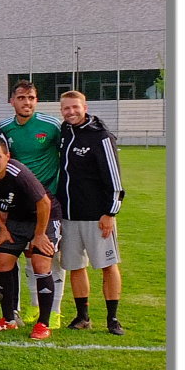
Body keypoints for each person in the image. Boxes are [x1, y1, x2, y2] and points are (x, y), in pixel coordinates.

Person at [0, 139, 61, 340]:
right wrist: (2, 228)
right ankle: (8, 320)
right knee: (2, 262)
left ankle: (43, 323)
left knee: (40, 263)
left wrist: (39, 236)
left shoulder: (19, 173)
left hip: (45, 218)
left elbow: (44, 202)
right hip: (17, 220)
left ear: (7, 157)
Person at [56, 91, 126, 335]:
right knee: (75, 267)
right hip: (69, 216)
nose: (71, 112)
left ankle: (113, 318)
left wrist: (110, 213)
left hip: (98, 217)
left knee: (108, 265)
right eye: (66, 108)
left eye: (75, 107)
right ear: (61, 110)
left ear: (85, 106)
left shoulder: (101, 137)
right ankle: (82, 316)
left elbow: (115, 182)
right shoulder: (65, 132)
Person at [0, 80, 68, 328]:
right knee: (29, 255)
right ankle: (33, 306)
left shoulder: (51, 126)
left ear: (36, 101)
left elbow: (67, 153)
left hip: (50, 202)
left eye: (30, 98)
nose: (26, 102)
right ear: (12, 101)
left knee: (49, 254)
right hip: (21, 204)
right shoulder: (5, 128)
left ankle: (56, 310)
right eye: (21, 98)